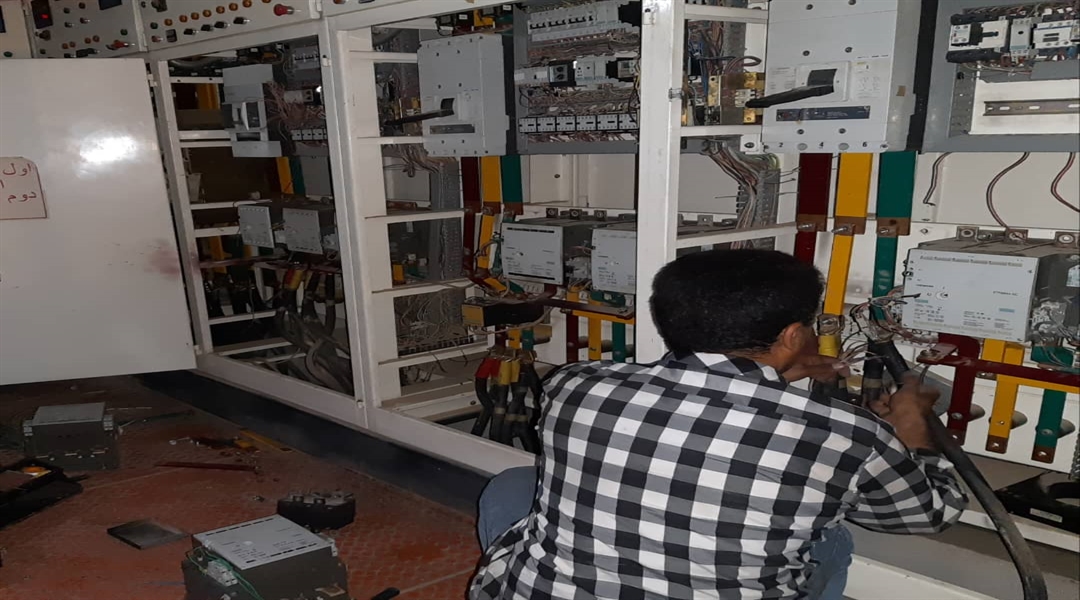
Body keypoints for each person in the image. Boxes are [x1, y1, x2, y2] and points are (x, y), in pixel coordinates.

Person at [469, 249, 968, 600]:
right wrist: (915, 436)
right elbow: (928, 516)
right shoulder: (848, 433)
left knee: (514, 486)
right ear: (793, 336)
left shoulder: (575, 384)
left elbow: (700, 413)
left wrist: (777, 372)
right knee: (833, 538)